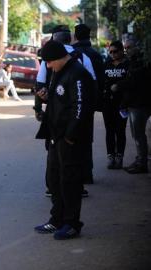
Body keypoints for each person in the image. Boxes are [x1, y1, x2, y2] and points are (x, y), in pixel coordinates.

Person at [34, 40, 94, 240]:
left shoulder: (77, 73)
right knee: (54, 179)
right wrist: (46, 97)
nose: (48, 66)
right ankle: (57, 219)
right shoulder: (59, 72)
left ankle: (71, 223)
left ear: (60, 57)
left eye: (50, 62)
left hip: (71, 139)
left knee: (70, 181)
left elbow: (80, 107)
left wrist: (70, 136)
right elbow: (60, 99)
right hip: (55, 135)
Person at [73, 23, 105, 184]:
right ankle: (87, 173)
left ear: (75, 36)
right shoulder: (95, 55)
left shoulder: (72, 53)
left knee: (71, 138)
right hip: (89, 103)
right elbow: (99, 80)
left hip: (71, 103)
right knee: (86, 138)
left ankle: (74, 173)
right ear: (90, 36)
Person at [118, 38, 151, 174]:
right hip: (135, 104)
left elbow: (133, 82)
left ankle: (142, 162)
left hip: (139, 104)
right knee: (138, 135)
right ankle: (140, 160)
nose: (127, 51)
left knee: (138, 135)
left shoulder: (141, 63)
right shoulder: (132, 62)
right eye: (125, 48)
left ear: (137, 47)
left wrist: (120, 85)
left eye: (129, 47)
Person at [102, 40, 129, 169]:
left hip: (122, 104)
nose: (112, 54)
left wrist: (119, 86)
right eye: (110, 52)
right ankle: (110, 156)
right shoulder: (106, 64)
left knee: (120, 130)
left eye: (115, 51)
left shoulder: (127, 64)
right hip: (108, 103)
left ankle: (119, 157)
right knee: (109, 131)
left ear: (121, 50)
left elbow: (131, 82)